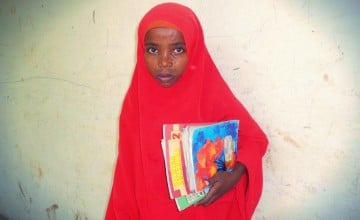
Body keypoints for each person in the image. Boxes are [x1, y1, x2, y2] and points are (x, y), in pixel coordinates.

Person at [105, 2, 268, 220]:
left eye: (177, 49)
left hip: (204, 213)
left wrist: (233, 174)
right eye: (153, 49)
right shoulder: (135, 105)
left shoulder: (211, 93)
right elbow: (126, 175)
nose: (164, 61)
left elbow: (254, 140)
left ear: (194, 48)